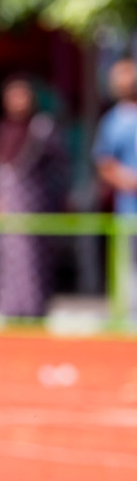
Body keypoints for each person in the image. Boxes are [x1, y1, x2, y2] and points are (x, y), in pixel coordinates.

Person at [0, 76, 65, 318]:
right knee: (5, 258)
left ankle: (33, 310)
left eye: (22, 95)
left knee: (32, 258)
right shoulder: (3, 128)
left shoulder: (41, 127)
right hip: (8, 203)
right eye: (12, 96)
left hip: (33, 203)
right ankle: (8, 308)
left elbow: (60, 165)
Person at [95, 60, 137, 316]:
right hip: (128, 210)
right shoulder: (112, 121)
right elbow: (104, 163)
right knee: (128, 266)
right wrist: (127, 180)